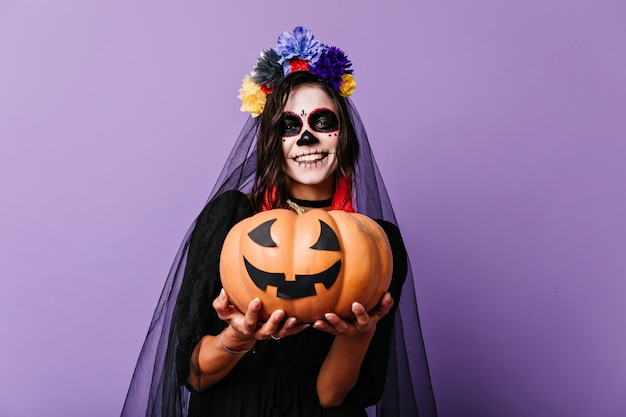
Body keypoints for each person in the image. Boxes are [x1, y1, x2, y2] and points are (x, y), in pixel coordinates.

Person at [121, 27, 437, 417]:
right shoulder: (231, 221)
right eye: (289, 127)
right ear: (272, 142)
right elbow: (194, 376)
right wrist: (238, 335)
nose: (306, 139)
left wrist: (359, 335)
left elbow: (332, 397)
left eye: (322, 122)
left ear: (345, 137)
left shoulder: (375, 243)